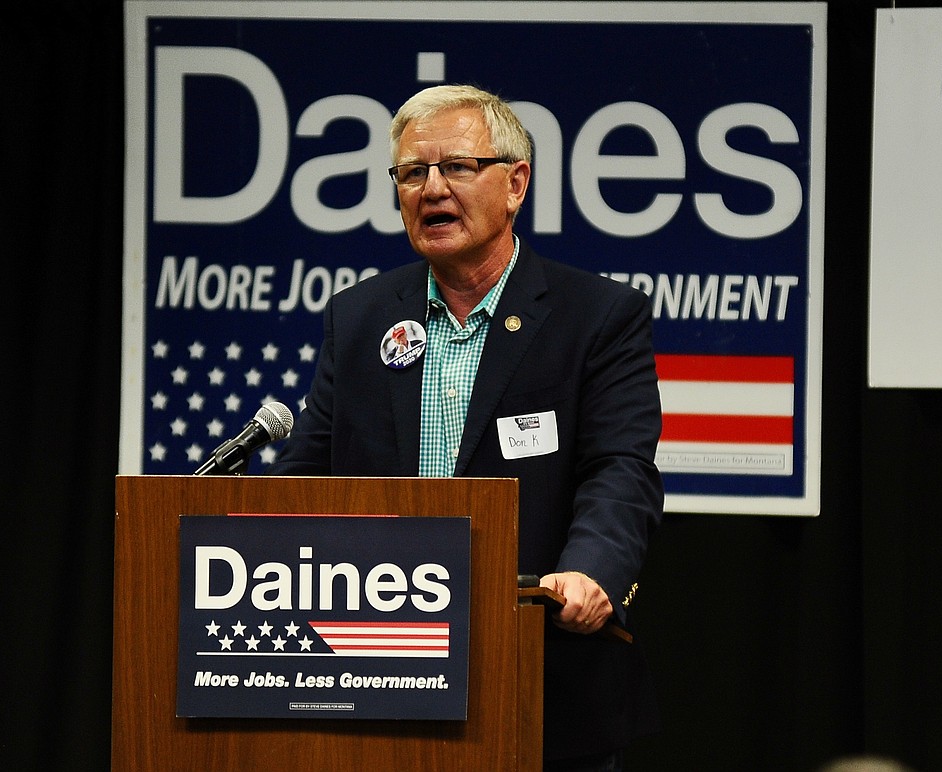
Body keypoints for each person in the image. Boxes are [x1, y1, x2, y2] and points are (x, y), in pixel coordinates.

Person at [268, 84, 663, 770]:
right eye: (412, 172)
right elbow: (309, 473)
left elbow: (619, 470)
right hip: (376, 677)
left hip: (540, 679)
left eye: (455, 167)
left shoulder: (596, 317)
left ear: (515, 184)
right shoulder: (359, 318)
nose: (430, 188)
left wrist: (589, 572)